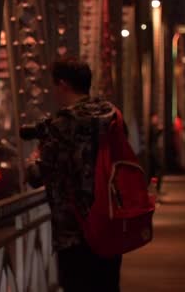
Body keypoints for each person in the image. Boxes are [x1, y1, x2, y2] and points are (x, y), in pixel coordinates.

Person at [25, 60, 122, 292]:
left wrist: (33, 158)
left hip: (74, 230)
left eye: (55, 85)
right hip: (110, 221)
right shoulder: (112, 116)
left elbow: (37, 175)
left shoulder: (62, 124)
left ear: (64, 84)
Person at [149, 114, 164, 193]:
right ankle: (155, 188)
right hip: (153, 153)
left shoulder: (154, 128)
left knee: (157, 170)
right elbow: (154, 137)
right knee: (157, 169)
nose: (156, 120)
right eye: (155, 118)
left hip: (154, 152)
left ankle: (156, 188)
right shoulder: (152, 128)